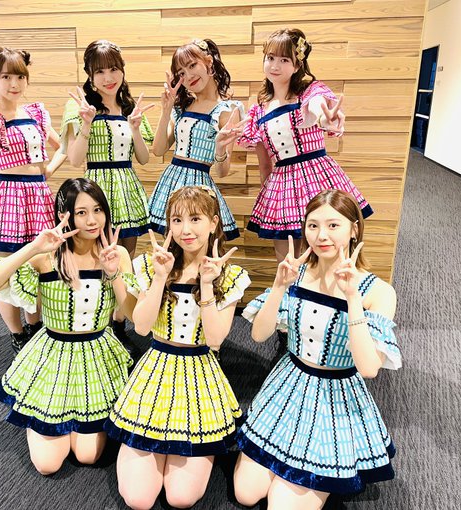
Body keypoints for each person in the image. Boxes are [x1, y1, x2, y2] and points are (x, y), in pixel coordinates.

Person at [234, 189, 401, 509]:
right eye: (313, 226)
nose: (321, 235)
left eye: (333, 225)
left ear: (354, 229)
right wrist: (279, 287)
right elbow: (258, 335)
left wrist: (352, 298)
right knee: (245, 494)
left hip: (334, 398)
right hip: (288, 383)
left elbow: (369, 368)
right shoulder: (296, 272)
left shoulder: (378, 291)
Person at [0, 178, 134, 475]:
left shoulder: (117, 253)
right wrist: (33, 247)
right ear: (65, 215)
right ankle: (45, 415)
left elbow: (131, 313)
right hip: (53, 355)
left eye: (98, 210)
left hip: (98, 355)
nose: (92, 220)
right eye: (81, 212)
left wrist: (114, 274)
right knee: (47, 465)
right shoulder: (47, 256)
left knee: (88, 456)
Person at [105, 186, 251, 510]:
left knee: (181, 498)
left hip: (200, 374)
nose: (186, 229)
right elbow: (142, 327)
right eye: (177, 220)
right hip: (155, 369)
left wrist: (207, 284)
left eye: (195, 219)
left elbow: (215, 339)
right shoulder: (152, 264)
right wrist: (159, 278)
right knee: (139, 499)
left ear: (214, 222)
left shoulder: (230, 275)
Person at [0, 47, 65, 353]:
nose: (14, 83)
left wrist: (48, 170)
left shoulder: (36, 113)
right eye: (6, 77)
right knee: (7, 267)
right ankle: (17, 333)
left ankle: (35, 326)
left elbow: (62, 146)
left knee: (40, 263)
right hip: (8, 197)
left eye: (20, 76)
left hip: (39, 196)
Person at [238, 28, 372, 262]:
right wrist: (268, 198)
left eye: (284, 60)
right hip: (281, 185)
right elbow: (264, 166)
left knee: (327, 251)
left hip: (316, 178)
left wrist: (326, 118)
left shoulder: (310, 93)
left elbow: (317, 107)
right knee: (287, 259)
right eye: (270, 58)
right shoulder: (258, 111)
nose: (275, 65)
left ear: (297, 65)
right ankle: (291, 287)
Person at [61, 40, 154, 258]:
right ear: (90, 75)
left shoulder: (130, 107)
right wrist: (86, 123)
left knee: (126, 257)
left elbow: (143, 159)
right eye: (100, 71)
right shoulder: (79, 106)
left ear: (122, 69)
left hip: (127, 189)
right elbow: (75, 160)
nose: (108, 78)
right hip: (96, 189)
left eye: (113, 69)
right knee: (101, 256)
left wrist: (135, 129)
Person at [148, 39, 245, 240]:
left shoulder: (226, 110)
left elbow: (222, 172)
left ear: (209, 62)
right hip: (170, 183)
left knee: (196, 243)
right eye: (181, 73)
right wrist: (166, 109)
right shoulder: (182, 106)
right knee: (172, 244)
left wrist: (220, 147)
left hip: (200, 186)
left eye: (192, 65)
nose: (188, 76)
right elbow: (158, 150)